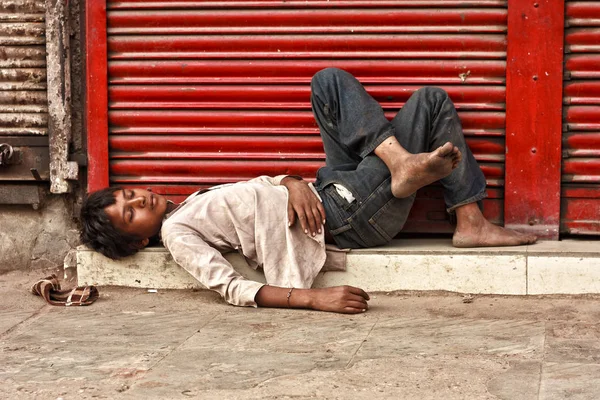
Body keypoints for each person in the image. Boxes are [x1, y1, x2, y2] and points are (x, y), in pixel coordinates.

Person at [80, 68, 536, 314]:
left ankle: (411, 174)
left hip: (327, 188)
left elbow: (257, 194)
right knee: (432, 102)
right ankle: (458, 211)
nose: (138, 200)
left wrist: (290, 181)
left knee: (330, 83)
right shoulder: (179, 236)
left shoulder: (190, 203)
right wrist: (316, 299)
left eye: (128, 193)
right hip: (345, 216)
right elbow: (234, 288)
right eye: (129, 214)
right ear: (139, 240)